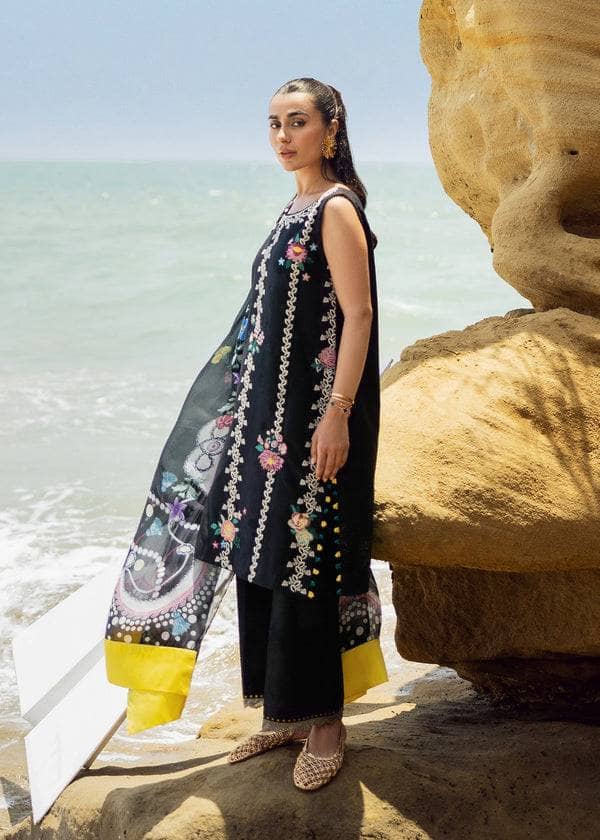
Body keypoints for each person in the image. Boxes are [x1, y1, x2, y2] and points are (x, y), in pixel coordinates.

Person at [104, 76, 388, 792]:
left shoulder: (335, 209)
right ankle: (283, 714)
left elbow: (358, 317)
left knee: (307, 559)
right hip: (267, 427)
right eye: (272, 124)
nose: (283, 136)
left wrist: (337, 414)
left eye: (297, 122)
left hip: (315, 421)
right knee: (260, 552)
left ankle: (325, 723)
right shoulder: (291, 206)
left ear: (330, 129)